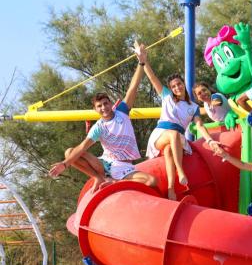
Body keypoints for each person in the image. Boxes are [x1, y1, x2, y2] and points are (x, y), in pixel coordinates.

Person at [48, 43, 157, 190]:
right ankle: (99, 178)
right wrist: (65, 164)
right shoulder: (99, 127)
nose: (103, 108)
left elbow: (133, 86)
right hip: (105, 164)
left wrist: (141, 62)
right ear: (95, 110)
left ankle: (115, 183)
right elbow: (81, 147)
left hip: (125, 167)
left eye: (105, 104)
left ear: (111, 103)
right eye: (99, 106)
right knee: (70, 152)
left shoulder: (122, 112)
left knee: (151, 181)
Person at [142, 44, 222, 200]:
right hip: (161, 134)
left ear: (183, 84)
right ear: (170, 89)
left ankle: (171, 189)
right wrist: (144, 61)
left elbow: (199, 126)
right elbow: (152, 78)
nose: (177, 87)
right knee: (173, 135)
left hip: (177, 139)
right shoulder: (167, 97)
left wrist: (210, 141)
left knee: (169, 151)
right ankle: (181, 170)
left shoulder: (193, 107)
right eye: (173, 86)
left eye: (179, 84)